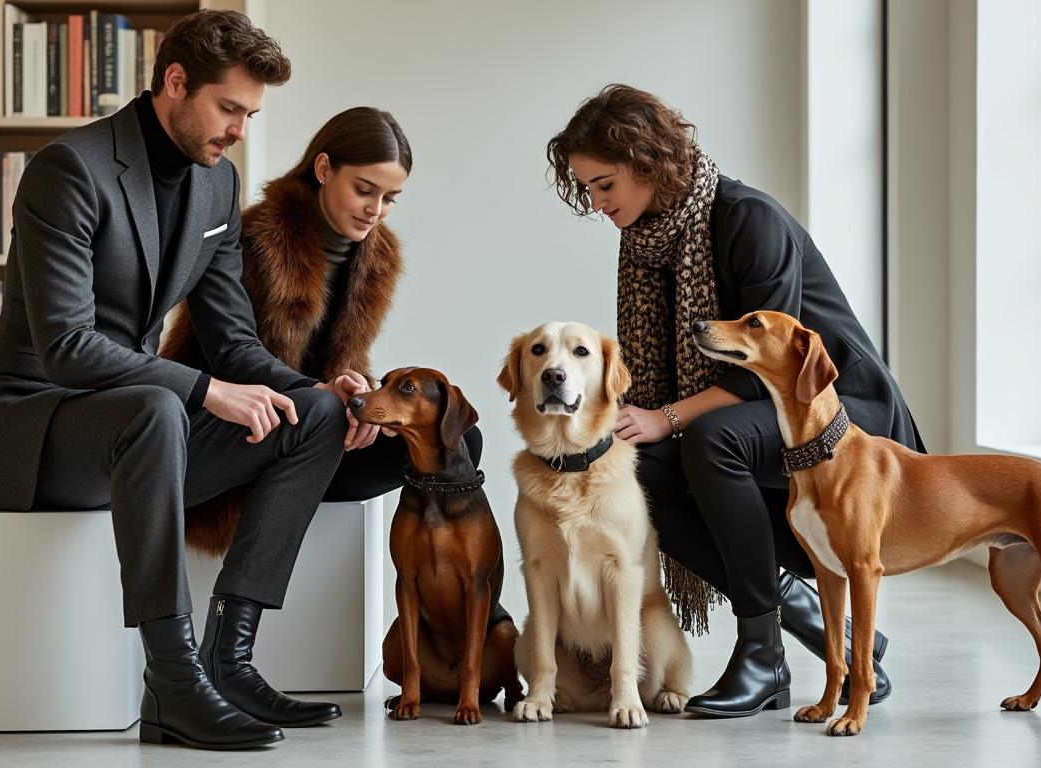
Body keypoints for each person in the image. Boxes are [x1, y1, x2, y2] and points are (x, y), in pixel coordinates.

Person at [0, 10, 353, 750]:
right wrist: (203, 393)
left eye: (250, 114)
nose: (239, 128)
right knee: (158, 410)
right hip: (36, 427)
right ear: (175, 82)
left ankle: (228, 661)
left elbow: (233, 342)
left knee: (315, 416)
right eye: (228, 108)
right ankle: (172, 685)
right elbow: (69, 346)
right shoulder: (68, 170)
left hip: (137, 432)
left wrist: (320, 391)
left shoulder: (216, 189)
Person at [546, 84, 924, 718]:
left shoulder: (748, 217)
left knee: (708, 437)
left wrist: (666, 417)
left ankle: (761, 654)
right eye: (587, 188)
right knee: (631, 470)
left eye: (605, 184)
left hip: (831, 407)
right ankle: (818, 628)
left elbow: (767, 368)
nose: (597, 202)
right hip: (753, 415)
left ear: (647, 162)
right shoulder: (647, 241)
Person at [161, 106, 483, 555]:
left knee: (457, 433)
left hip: (321, 426)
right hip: (236, 434)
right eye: (365, 190)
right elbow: (233, 357)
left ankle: (433, 580)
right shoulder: (255, 238)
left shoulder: (378, 258)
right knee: (325, 411)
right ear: (324, 168)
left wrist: (363, 397)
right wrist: (323, 394)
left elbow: (348, 362)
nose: (376, 211)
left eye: (390, 199)